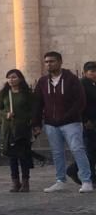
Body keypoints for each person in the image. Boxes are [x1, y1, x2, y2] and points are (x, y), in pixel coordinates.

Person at [32, 51, 92, 193]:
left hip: (71, 122)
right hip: (51, 123)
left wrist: (67, 116)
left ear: (60, 62)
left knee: (77, 149)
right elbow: (38, 103)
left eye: (52, 61)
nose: (49, 64)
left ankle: (86, 181)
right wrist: (36, 123)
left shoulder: (72, 79)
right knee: (57, 152)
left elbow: (80, 101)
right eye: (46, 62)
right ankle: (60, 180)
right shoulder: (42, 81)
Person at [0, 70, 35, 192]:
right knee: (12, 157)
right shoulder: (4, 93)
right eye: (9, 77)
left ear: (20, 78)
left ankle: (25, 182)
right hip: (9, 129)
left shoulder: (27, 94)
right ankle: (15, 182)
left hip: (23, 129)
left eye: (14, 77)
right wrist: (6, 114)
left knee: (23, 156)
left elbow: (32, 110)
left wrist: (29, 120)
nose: (11, 80)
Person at [67, 61, 96, 186]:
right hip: (87, 123)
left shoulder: (93, 84)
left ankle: (74, 169)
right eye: (92, 71)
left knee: (92, 151)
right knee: (91, 150)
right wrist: (85, 120)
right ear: (85, 72)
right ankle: (91, 177)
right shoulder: (82, 84)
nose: (94, 74)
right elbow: (79, 104)